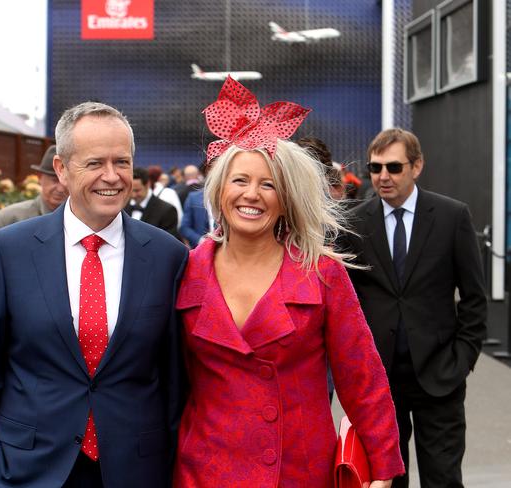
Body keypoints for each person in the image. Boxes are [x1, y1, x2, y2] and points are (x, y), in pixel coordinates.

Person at [173, 77, 404, 487]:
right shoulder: (185, 270)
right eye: (240, 180)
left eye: (269, 184)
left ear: (287, 200)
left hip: (297, 470)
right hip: (204, 468)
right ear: (218, 190)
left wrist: (383, 468)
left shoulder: (321, 273)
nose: (252, 194)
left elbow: (362, 378)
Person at [0, 101, 189, 488]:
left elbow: (174, 378)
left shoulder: (168, 256)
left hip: (135, 469)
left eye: (123, 162)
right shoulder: (9, 251)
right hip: (26, 469)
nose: (112, 176)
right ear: (62, 170)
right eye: (95, 163)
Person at [341, 128, 487, 488]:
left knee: (443, 478)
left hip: (440, 373)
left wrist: (463, 357)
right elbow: (347, 299)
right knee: (388, 478)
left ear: (417, 166)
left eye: (393, 167)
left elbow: (474, 296)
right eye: (375, 168)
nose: (383, 177)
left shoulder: (453, 217)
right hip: (379, 378)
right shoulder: (355, 223)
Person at [0, 145, 68, 231]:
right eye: (54, 180)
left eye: (66, 180)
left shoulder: (81, 221)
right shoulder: (8, 219)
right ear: (40, 178)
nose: (60, 189)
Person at [124, 166, 180, 240]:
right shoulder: (122, 206)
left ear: (148, 185)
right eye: (131, 190)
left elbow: (168, 244)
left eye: (137, 190)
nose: (133, 195)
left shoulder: (167, 210)